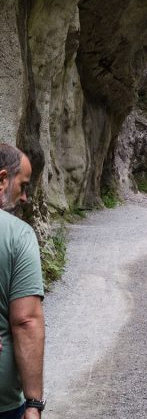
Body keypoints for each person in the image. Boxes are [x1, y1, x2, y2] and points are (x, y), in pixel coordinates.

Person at [0, 144, 46, 419]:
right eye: (23, 185)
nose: (25, 197)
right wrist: (33, 404)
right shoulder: (18, 235)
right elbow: (26, 321)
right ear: (3, 179)